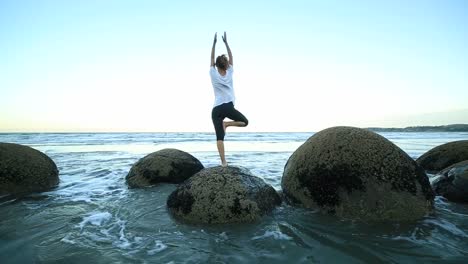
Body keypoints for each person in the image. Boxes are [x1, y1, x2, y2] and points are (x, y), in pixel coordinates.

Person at [210, 32, 248, 167]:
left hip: (216, 109)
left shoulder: (213, 73)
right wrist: (226, 43)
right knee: (245, 122)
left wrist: (214, 43)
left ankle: (223, 162)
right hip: (228, 106)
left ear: (216, 65)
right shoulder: (230, 71)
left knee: (219, 137)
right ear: (226, 64)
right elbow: (231, 56)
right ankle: (227, 124)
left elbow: (211, 58)